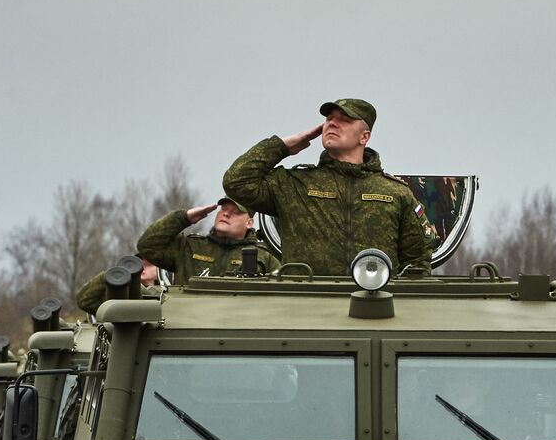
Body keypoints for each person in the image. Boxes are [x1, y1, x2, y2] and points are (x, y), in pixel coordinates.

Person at [223, 98, 434, 277]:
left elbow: (417, 262)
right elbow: (236, 182)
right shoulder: (294, 184)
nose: (332, 124)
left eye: (344, 120)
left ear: (364, 137)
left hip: (371, 306)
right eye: (329, 119)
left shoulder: (395, 192)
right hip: (302, 306)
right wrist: (283, 146)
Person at [136, 197, 279, 284]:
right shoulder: (190, 248)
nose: (226, 214)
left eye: (236, 212)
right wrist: (183, 218)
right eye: (223, 209)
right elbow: (147, 245)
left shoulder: (265, 257)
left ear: (249, 223)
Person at [74, 258, 162, 315]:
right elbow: (84, 300)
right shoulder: (121, 294)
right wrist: (112, 275)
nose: (143, 268)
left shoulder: (168, 293)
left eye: (148, 265)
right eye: (139, 264)